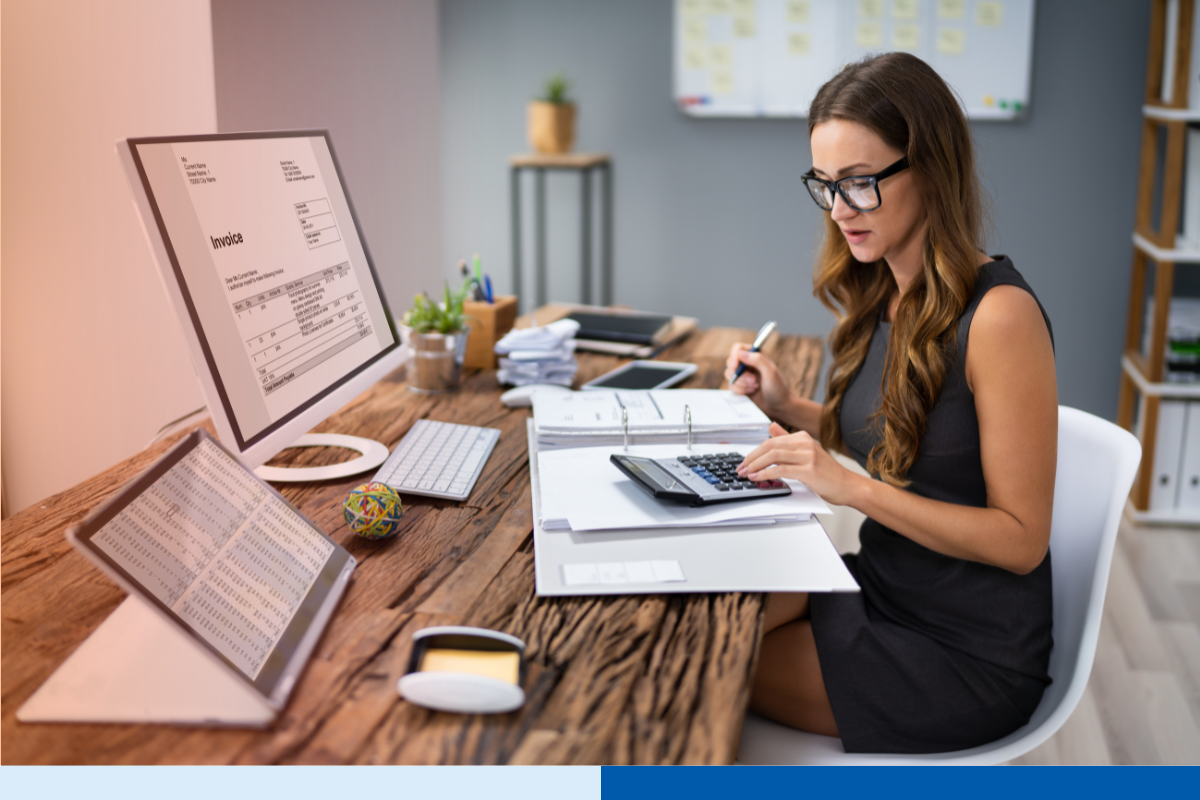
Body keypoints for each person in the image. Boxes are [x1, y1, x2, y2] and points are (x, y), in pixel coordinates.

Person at [724, 52, 1058, 754]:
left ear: (931, 167)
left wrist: (850, 489)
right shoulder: (889, 291)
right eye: (827, 184)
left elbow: (1021, 540)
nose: (841, 209)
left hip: (964, 652)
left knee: (710, 664)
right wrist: (793, 409)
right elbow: (914, 442)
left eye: (862, 182)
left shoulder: (999, 317)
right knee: (705, 616)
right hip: (883, 586)